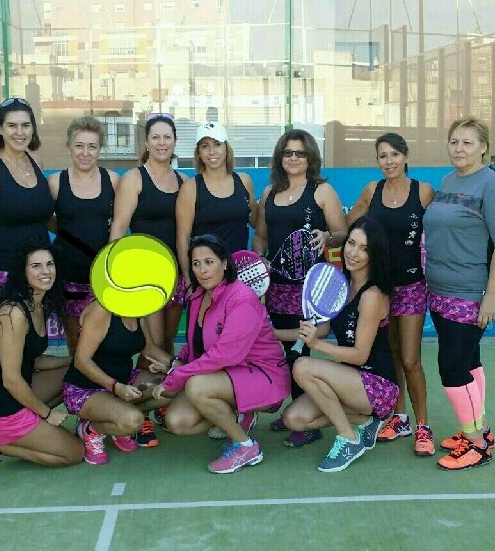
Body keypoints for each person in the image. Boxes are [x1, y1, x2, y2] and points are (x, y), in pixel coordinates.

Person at [151, 234, 290, 474]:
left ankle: (245, 446)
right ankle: (237, 415)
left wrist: (177, 376)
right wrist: (178, 362)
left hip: (262, 375)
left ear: (225, 263)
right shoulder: (197, 295)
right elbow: (196, 342)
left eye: (209, 262)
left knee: (196, 386)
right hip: (227, 373)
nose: (203, 270)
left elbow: (225, 354)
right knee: (178, 422)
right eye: (196, 264)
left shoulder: (241, 298)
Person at [423, 117, 495, 471]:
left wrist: (491, 297)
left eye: (467, 142)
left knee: (452, 366)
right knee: (469, 361)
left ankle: (476, 444)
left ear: (483, 147)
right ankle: (480, 430)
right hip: (440, 290)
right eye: (454, 142)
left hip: (471, 292)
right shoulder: (449, 180)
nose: (459, 148)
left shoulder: (492, 183)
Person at [252, 128, 347, 448]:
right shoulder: (269, 193)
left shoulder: (322, 191)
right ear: (280, 157)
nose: (293, 158)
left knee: (301, 352)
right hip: (275, 288)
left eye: (300, 153)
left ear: (310, 158)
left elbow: (342, 232)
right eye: (288, 153)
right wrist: (259, 261)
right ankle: (297, 412)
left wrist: (328, 237)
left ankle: (306, 423)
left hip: (310, 291)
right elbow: (261, 235)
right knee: (283, 353)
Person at [283, 216, 399, 472]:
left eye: (364, 248)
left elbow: (359, 355)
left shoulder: (372, 295)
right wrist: (271, 333)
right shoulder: (341, 284)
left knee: (302, 366)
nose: (353, 253)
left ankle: (348, 438)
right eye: (351, 243)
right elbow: (322, 329)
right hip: (350, 380)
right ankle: (366, 422)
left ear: (375, 254)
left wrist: (316, 345)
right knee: (294, 419)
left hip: (377, 385)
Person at [0, 240, 84, 483]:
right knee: (75, 452)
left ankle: (25, 431)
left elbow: (33, 360)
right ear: (23, 271)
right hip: (0, 408)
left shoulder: (39, 304)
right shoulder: (14, 313)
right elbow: (10, 379)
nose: (46, 271)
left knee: (75, 373)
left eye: (50, 264)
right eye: (36, 266)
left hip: (17, 391)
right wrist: (47, 414)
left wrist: (73, 361)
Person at [346, 133, 436, 456]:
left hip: (412, 287)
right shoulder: (372, 191)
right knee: (394, 355)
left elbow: (443, 230)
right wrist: (329, 236)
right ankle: (401, 419)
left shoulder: (424, 192)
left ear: (406, 156)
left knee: (411, 359)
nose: (389, 161)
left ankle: (423, 425)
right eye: (382, 156)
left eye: (394, 155)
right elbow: (350, 226)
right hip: (380, 289)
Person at [109, 113, 189, 447]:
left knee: (167, 345)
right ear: (146, 141)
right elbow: (118, 227)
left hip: (176, 277)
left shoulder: (183, 181)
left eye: (167, 137)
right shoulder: (134, 178)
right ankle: (136, 415)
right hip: (144, 279)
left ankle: (155, 402)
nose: (161, 143)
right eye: (155, 137)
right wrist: (115, 272)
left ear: (175, 142)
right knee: (151, 349)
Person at [62, 300, 173, 465]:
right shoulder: (101, 310)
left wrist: (181, 368)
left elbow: (148, 348)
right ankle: (90, 429)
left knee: (173, 386)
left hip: (124, 382)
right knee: (133, 420)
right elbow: (81, 361)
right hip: (85, 389)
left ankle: (116, 418)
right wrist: (115, 386)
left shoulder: (139, 307)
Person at [0, 98, 54, 308]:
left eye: (26, 125)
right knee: (11, 327)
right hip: (5, 273)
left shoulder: (36, 162)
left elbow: (43, 217)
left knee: (38, 329)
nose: (19, 132)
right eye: (12, 125)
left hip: (41, 274)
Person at [48, 116, 119, 355]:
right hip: (67, 273)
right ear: (69, 147)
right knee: (75, 343)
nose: (85, 153)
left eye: (92, 146)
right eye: (79, 146)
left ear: (100, 149)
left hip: (102, 277)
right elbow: (46, 218)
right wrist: (70, 236)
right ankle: (75, 379)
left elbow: (120, 222)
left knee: (104, 341)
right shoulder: (55, 182)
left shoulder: (113, 181)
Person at [176, 121, 258, 288]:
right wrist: (190, 281)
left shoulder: (244, 181)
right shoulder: (191, 188)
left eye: (217, 144)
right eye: (205, 146)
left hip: (240, 278)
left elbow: (257, 222)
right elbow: (182, 239)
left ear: (226, 148)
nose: (212, 151)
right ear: (199, 153)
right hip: (206, 281)